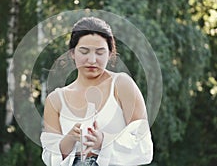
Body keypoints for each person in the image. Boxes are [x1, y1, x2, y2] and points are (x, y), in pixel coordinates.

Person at [40, 17, 153, 166]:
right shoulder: (55, 100)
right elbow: (50, 157)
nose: (92, 60)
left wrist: (103, 142)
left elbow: (144, 147)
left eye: (100, 52)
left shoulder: (121, 85)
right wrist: (70, 138)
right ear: (72, 53)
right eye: (84, 51)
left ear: (110, 53)